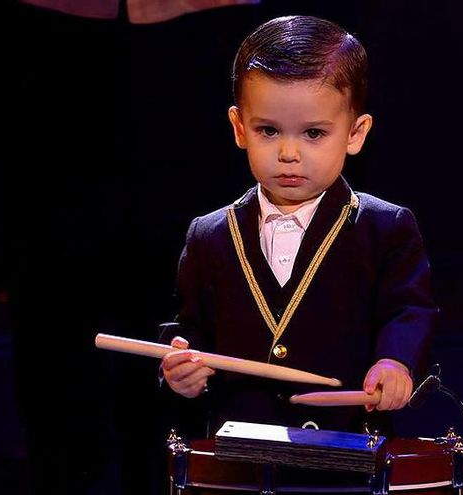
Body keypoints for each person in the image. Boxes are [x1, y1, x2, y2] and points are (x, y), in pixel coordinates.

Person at [160, 15, 438, 437]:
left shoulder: (385, 227)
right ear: (239, 128)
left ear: (355, 133)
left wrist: (394, 362)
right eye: (268, 130)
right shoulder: (209, 234)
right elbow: (189, 328)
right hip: (240, 451)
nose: (289, 153)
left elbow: (408, 311)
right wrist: (180, 370)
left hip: (346, 445)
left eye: (313, 133)